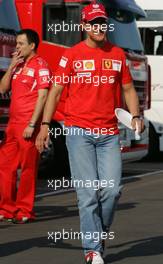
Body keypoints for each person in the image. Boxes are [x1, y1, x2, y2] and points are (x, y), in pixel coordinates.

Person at [36, 3, 144, 264]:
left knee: (112, 190)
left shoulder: (118, 54)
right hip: (78, 132)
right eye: (94, 23)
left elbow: (128, 89)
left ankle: (99, 234)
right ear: (84, 26)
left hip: (108, 133)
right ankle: (92, 249)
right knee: (87, 194)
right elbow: (56, 91)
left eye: (102, 22)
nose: (99, 27)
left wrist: (136, 114)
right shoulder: (71, 55)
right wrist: (45, 125)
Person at [0, 29, 51, 224]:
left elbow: (43, 96)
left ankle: (24, 210)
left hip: (28, 125)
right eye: (16, 43)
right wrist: (11, 66)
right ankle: (6, 208)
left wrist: (32, 124)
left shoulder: (41, 66)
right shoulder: (18, 66)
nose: (17, 47)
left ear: (32, 46)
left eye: (21, 43)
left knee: (28, 169)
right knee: (5, 167)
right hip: (12, 124)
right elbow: (3, 89)